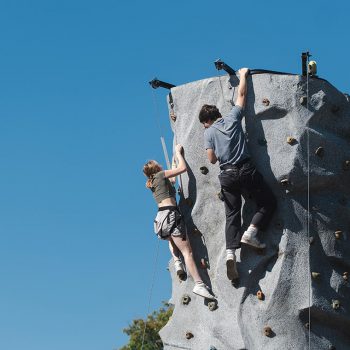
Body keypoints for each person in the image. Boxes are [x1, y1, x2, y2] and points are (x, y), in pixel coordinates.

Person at [198, 68, 277, 281]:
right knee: (267, 202)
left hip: (227, 175)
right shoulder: (232, 118)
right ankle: (251, 232)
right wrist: (242, 75)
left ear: (207, 121)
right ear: (217, 115)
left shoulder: (208, 132)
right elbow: (241, 96)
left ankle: (230, 253)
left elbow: (211, 159)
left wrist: (213, 143)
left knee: (232, 214)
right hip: (246, 169)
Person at [143, 144, 215, 299]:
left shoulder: (153, 182)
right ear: (156, 168)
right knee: (187, 252)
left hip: (160, 219)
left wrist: (174, 161)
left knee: (172, 240)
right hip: (171, 215)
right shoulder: (161, 175)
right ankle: (199, 284)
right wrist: (178, 153)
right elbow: (182, 169)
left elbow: (173, 180)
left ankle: (177, 262)